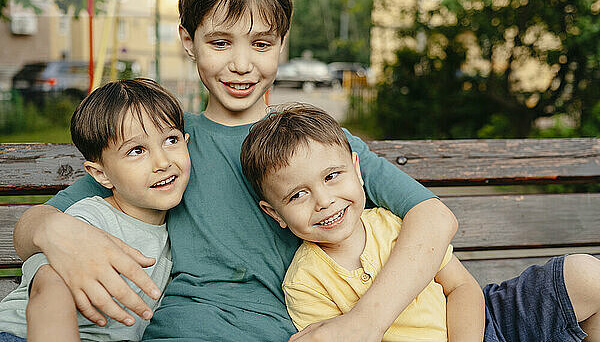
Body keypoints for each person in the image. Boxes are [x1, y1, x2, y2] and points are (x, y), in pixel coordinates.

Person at [12, 0, 458, 341]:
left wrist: (366, 321)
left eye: (261, 43)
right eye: (220, 42)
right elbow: (36, 222)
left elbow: (434, 216)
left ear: (282, 43)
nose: (241, 65)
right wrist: (57, 232)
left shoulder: (319, 145)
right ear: (188, 40)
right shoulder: (165, 147)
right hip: (180, 329)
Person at [240, 103, 600, 342]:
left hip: (484, 322)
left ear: (356, 169)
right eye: (298, 195)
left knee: (586, 274)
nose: (324, 201)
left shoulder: (395, 225)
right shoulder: (306, 283)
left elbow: (462, 288)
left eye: (332, 176)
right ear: (275, 214)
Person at [0, 78, 191, 342]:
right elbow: (50, 294)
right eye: (137, 150)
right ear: (100, 175)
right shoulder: (91, 220)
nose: (162, 162)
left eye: (171, 140)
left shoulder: (174, 230)